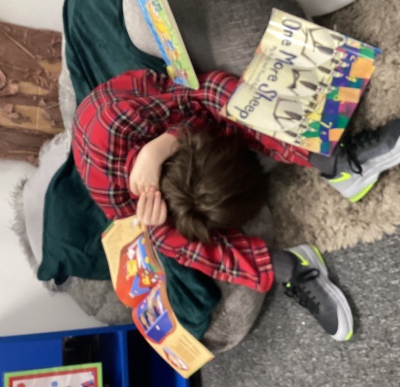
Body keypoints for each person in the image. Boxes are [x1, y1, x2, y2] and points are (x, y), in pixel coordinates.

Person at [71, 67, 400, 342]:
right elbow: (140, 230)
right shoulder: (117, 187)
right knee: (166, 238)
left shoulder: (131, 119)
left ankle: (332, 161)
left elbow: (197, 98)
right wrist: (150, 224)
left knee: (220, 93)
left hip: (150, 109)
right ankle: (290, 267)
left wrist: (163, 144)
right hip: (125, 162)